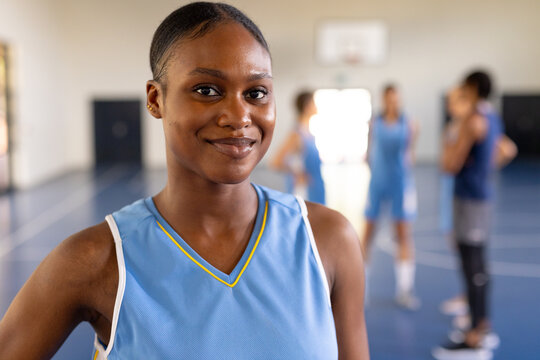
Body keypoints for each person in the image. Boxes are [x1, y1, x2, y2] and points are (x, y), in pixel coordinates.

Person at [0, 2, 369, 359]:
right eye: (207, 90)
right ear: (155, 99)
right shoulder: (95, 261)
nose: (239, 116)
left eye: (256, 93)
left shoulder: (328, 240)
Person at [433, 71, 516, 360]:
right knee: (477, 264)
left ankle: (474, 339)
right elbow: (507, 149)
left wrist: (450, 144)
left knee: (473, 266)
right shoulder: (491, 116)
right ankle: (480, 327)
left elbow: (449, 165)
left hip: (470, 199)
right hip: (479, 197)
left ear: (472, 88)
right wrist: (483, 167)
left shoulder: (472, 120)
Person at [362, 84, 419, 310]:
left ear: (400, 99)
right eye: (388, 98)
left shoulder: (411, 123)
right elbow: (368, 153)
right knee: (368, 234)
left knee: (403, 234)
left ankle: (405, 289)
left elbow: (411, 153)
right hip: (378, 182)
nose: (392, 102)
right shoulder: (374, 123)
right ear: (383, 99)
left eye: (395, 98)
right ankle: (361, 287)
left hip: (401, 184)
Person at [271, 91, 326, 205]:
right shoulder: (296, 134)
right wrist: (297, 173)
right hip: (304, 193)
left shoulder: (308, 133)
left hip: (316, 188)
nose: (316, 106)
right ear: (307, 106)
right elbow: (276, 162)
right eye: (314, 102)